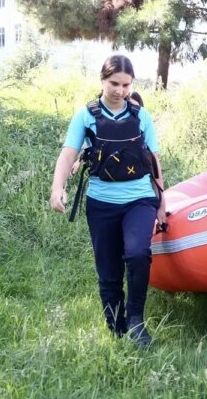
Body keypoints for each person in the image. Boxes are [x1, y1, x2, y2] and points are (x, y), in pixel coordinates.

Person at [49, 55, 166, 347]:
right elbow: (68, 153)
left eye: (126, 85)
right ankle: (116, 327)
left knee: (138, 253)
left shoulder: (141, 116)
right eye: (114, 83)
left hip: (139, 199)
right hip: (101, 203)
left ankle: (136, 320)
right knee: (109, 270)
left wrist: (162, 205)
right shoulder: (86, 115)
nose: (120, 90)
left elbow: (154, 161)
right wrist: (57, 188)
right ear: (102, 80)